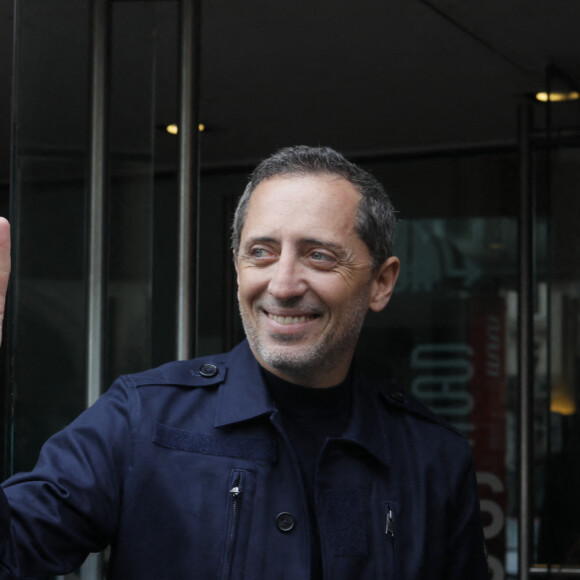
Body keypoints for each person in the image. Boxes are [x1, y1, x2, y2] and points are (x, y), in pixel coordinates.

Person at [0, 146, 489, 579]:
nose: (282, 284)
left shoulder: (433, 459)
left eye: (319, 256)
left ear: (381, 283)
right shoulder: (140, 418)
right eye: (262, 253)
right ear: (237, 268)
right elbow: (14, 548)